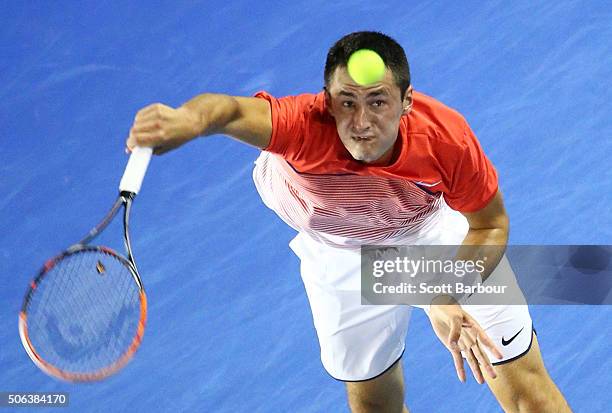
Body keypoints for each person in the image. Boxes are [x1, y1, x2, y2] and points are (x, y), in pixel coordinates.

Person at [126, 31, 572, 413]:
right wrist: (187, 119)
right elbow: (227, 111)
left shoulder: (445, 139)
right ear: (327, 102)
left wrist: (442, 291)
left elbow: (490, 226)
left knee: (527, 392)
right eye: (347, 103)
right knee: (374, 404)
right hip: (337, 249)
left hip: (426, 231)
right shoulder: (301, 126)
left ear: (407, 102)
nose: (361, 123)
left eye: (378, 102)